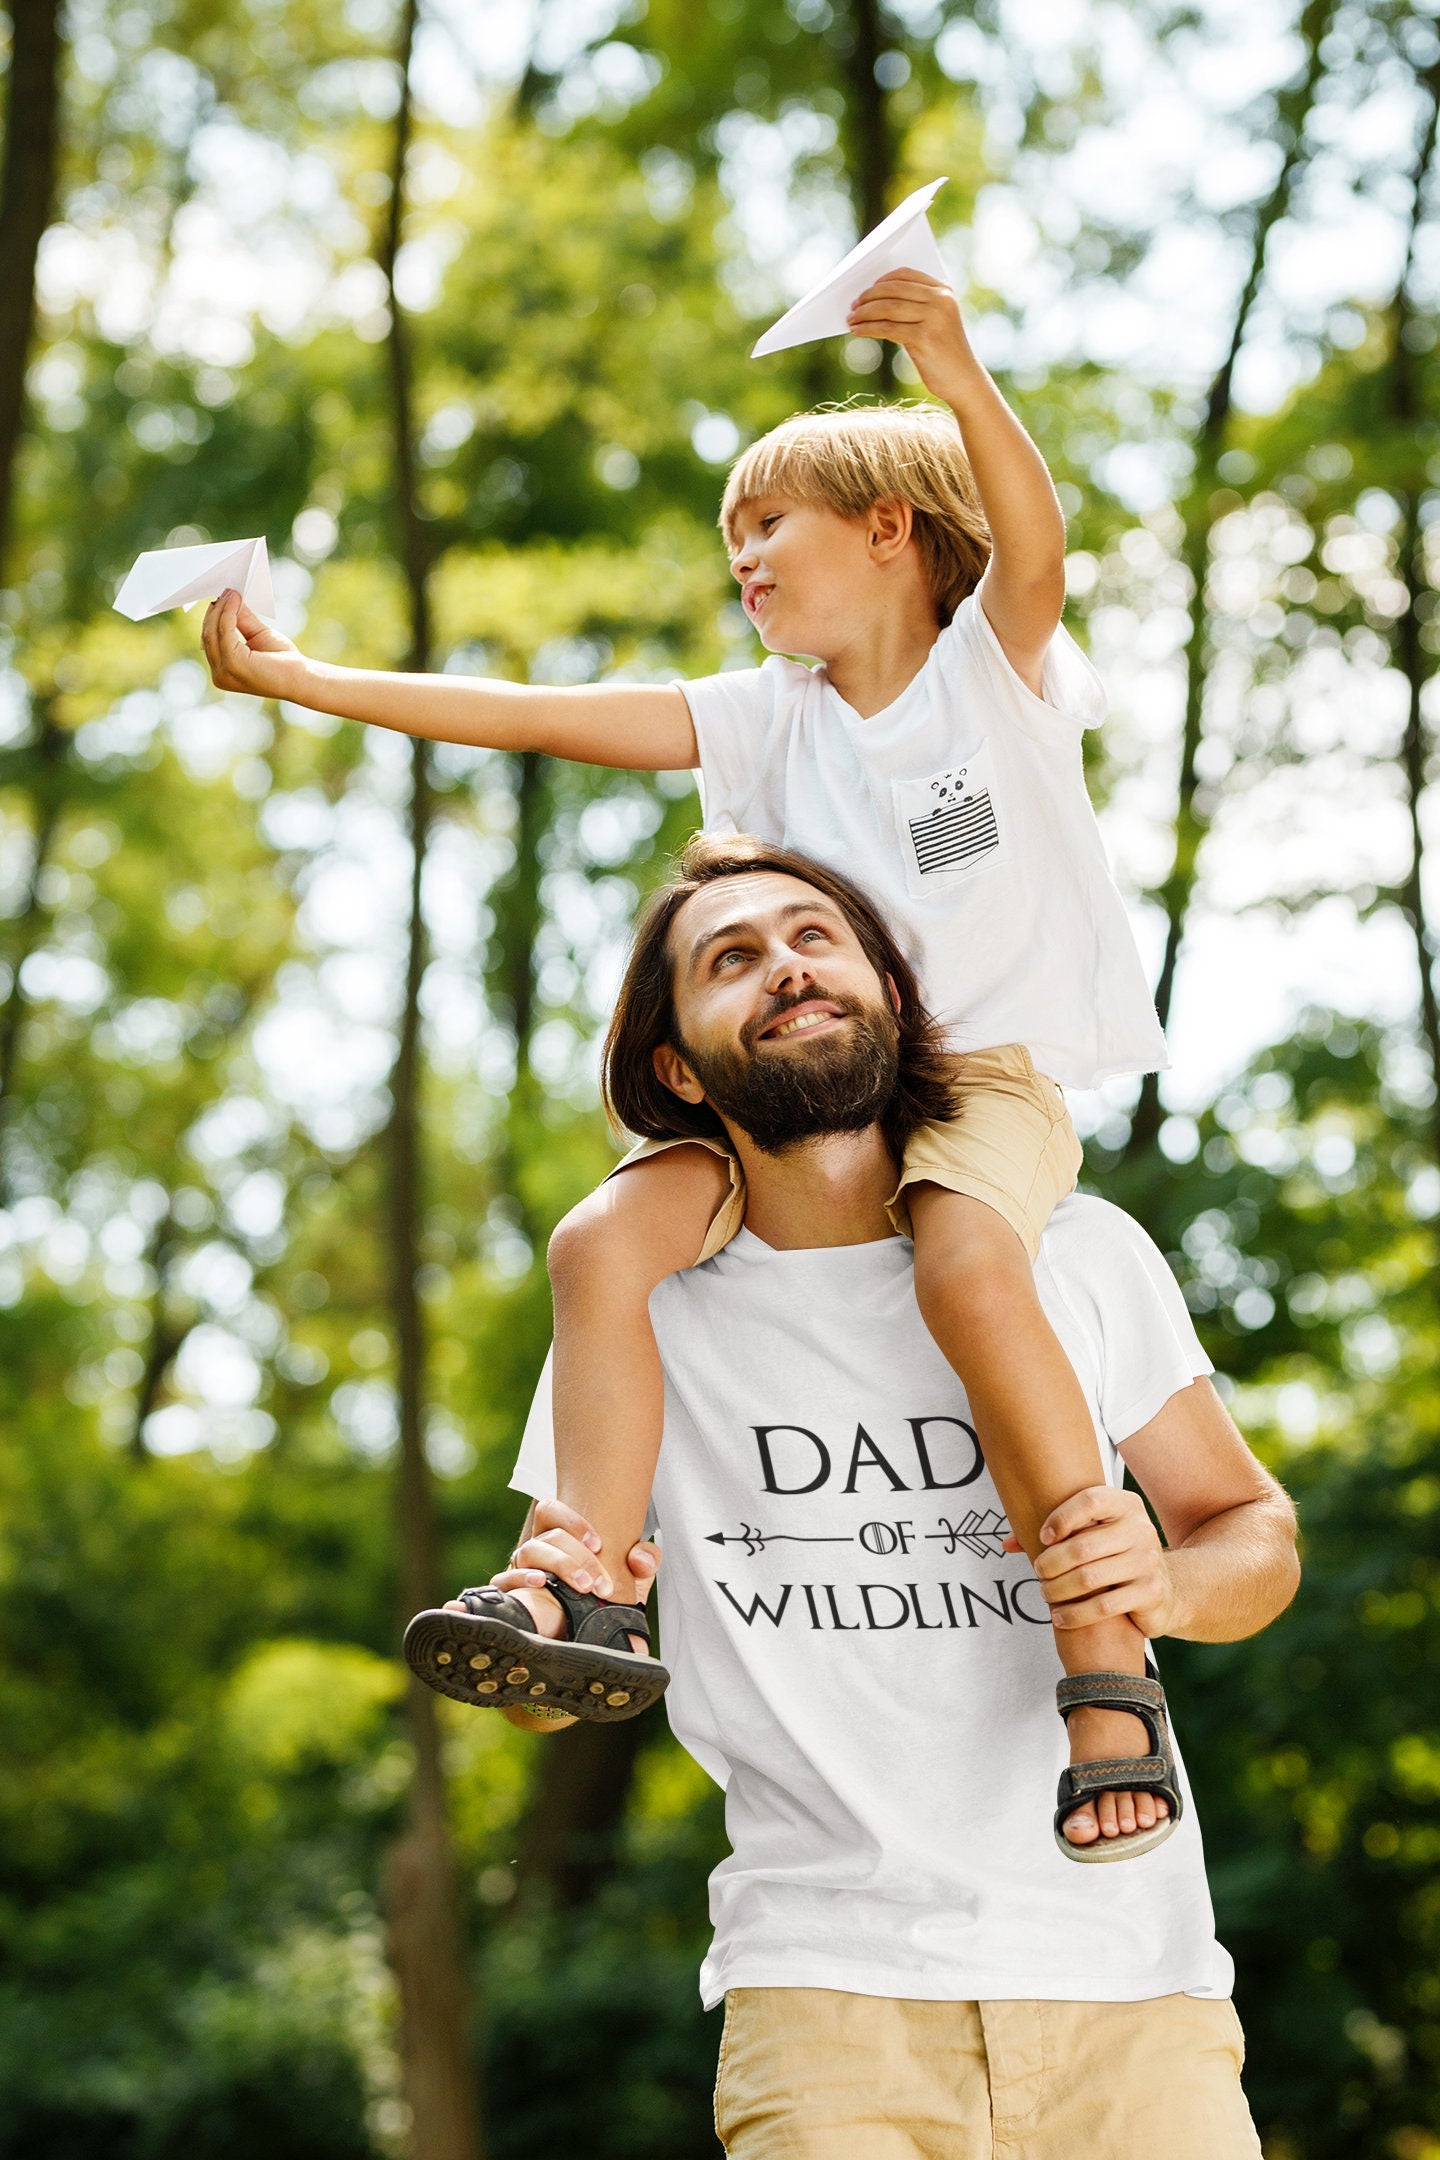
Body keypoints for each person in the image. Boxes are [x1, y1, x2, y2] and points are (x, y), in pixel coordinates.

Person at [203, 265, 1171, 1845]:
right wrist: (306, 679)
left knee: (973, 1269)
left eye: (767, 527)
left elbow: (1038, 544)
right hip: (799, 1099)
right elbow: (532, 716)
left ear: (888, 533)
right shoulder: (767, 716)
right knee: (606, 1233)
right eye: (731, 540)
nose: (742, 560)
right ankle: (580, 1573)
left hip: (975, 1086)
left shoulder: (990, 677)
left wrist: (948, 359)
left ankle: (1103, 1655)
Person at [448, 840, 1297, 2155]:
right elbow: (545, 1707)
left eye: (814, 938)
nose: (786, 965)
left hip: (1133, 1990)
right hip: (826, 1999)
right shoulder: (641, 1316)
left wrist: (1169, 1583)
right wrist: (559, 1630)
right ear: (678, 1066)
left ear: (888, 996)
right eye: (732, 960)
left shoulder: (1075, 1254)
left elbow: (1258, 1537)